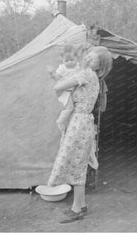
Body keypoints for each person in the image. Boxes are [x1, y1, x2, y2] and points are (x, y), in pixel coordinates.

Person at [47, 46, 113, 223]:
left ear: (100, 64)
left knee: (76, 164)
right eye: (90, 55)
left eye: (95, 58)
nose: (90, 58)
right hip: (83, 121)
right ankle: (81, 204)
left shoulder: (85, 74)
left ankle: (77, 209)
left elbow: (58, 86)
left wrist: (63, 76)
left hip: (80, 122)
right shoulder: (91, 76)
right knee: (79, 163)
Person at [47, 46, 81, 134]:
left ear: (77, 58)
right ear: (63, 60)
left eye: (71, 60)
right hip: (65, 91)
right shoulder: (62, 68)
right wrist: (52, 73)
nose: (69, 62)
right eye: (66, 61)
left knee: (73, 108)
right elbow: (57, 78)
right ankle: (60, 121)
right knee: (70, 108)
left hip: (72, 90)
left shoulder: (78, 67)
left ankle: (69, 124)